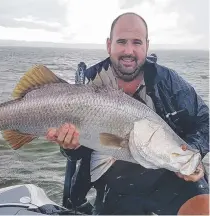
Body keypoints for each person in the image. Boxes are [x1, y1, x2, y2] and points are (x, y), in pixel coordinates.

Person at [46, 12, 209, 215]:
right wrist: (70, 147)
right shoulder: (89, 85)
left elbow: (205, 121)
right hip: (114, 184)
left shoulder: (169, 82)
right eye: (121, 41)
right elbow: (83, 151)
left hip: (169, 176)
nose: (128, 50)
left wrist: (193, 150)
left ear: (147, 46)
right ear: (109, 45)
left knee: (203, 207)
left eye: (137, 42)